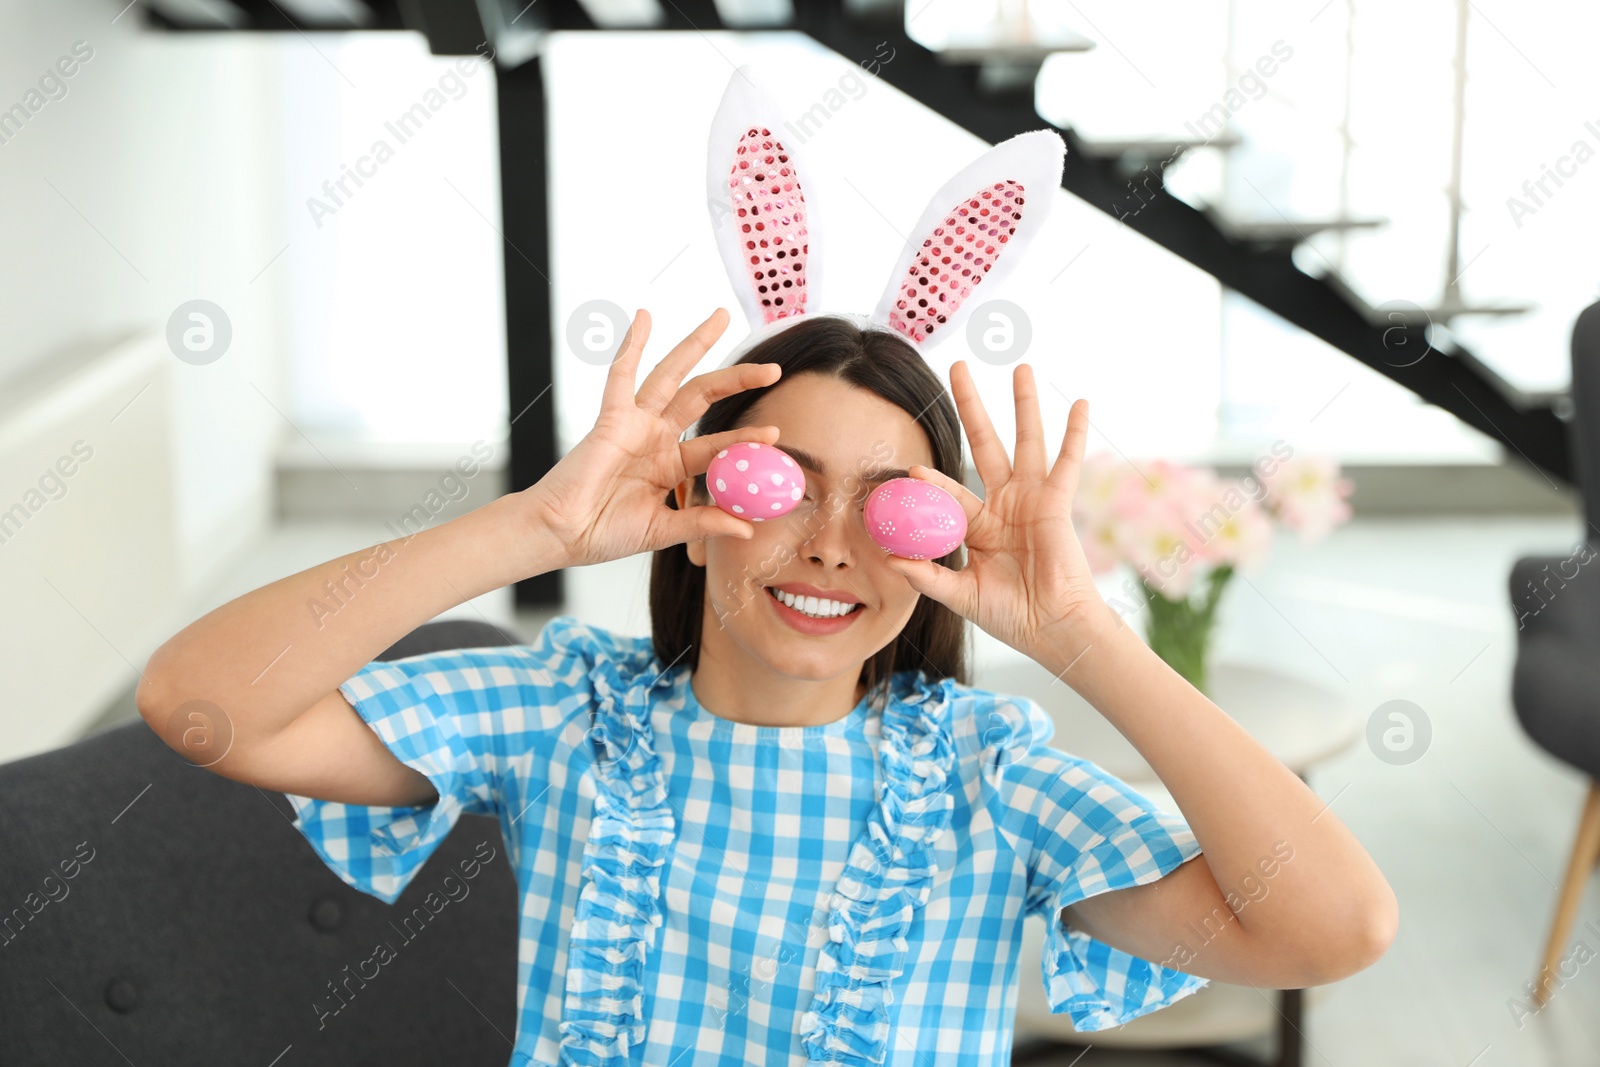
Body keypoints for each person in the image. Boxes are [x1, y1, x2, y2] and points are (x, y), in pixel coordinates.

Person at [136, 305, 1396, 1066]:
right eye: (777, 484)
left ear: (938, 544)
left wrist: (1079, 633)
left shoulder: (986, 786)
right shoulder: (567, 719)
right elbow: (200, 704)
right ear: (698, 509)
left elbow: (1334, 926)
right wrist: (530, 530)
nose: (830, 543)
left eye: (885, 503)